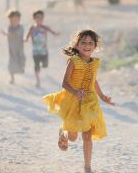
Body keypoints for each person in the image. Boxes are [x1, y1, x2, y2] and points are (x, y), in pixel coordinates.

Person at [42, 29, 114, 173]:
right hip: (73, 99)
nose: (87, 45)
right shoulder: (73, 61)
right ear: (76, 45)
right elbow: (64, 83)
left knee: (87, 134)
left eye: (90, 43)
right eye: (83, 42)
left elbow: (93, 81)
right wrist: (75, 92)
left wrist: (102, 96)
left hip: (90, 101)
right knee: (73, 137)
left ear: (95, 46)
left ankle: (87, 167)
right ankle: (64, 132)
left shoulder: (94, 63)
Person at [25, 10, 60, 88]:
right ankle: (38, 81)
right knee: (36, 66)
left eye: (41, 17)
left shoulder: (45, 27)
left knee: (45, 65)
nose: (40, 19)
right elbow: (26, 37)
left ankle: (42, 68)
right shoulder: (31, 28)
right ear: (34, 18)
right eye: (38, 17)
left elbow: (53, 32)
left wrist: (56, 34)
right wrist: (24, 39)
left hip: (44, 52)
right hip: (35, 52)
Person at [2, 9, 25, 84]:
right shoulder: (10, 27)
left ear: (19, 19)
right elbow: (9, 37)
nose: (13, 21)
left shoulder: (21, 27)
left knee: (21, 60)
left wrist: (6, 34)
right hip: (12, 49)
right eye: (11, 20)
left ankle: (21, 68)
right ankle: (12, 78)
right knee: (11, 63)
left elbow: (15, 35)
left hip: (19, 49)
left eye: (15, 19)